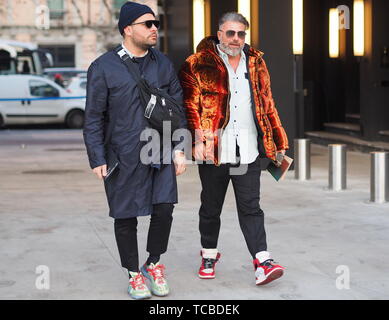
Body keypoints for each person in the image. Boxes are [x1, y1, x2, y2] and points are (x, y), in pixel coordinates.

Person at [83, 1, 186, 299]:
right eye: (147, 24)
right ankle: (132, 273)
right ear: (128, 29)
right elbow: (93, 117)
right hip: (122, 153)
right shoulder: (103, 67)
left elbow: (177, 109)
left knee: (164, 208)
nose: (155, 29)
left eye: (155, 24)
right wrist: (97, 157)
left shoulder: (163, 63)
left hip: (160, 149)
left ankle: (153, 263)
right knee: (126, 216)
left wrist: (180, 147)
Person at [179, 12, 289, 286]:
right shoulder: (196, 64)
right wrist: (196, 141)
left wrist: (278, 143)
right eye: (231, 33)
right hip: (215, 151)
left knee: (251, 207)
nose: (236, 39)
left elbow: (267, 105)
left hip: (248, 149)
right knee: (211, 207)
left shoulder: (257, 62)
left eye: (241, 34)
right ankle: (209, 254)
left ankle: (263, 261)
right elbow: (189, 107)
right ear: (219, 34)